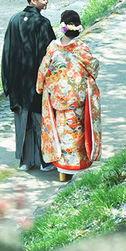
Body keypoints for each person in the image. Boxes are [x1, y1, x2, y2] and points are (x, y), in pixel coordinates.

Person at [36, 9, 101, 182]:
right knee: (77, 132)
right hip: (77, 98)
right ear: (78, 28)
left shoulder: (53, 47)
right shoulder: (81, 47)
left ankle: (63, 171)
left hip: (58, 99)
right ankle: (78, 168)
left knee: (61, 132)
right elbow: (93, 66)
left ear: (62, 26)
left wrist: (39, 87)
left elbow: (43, 70)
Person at [1, 0, 56, 170]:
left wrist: (6, 83)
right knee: (41, 121)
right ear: (34, 0)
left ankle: (25, 161)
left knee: (22, 121)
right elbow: (51, 56)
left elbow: (7, 52)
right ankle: (44, 161)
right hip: (37, 83)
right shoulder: (43, 23)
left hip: (18, 83)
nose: (47, 1)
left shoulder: (14, 20)